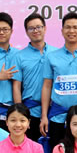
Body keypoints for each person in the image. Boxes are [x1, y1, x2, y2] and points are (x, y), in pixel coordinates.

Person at [40, 12, 77, 153]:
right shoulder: (51, 57)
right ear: (62, 30)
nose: (71, 31)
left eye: (75, 27)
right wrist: (44, 116)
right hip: (57, 116)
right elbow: (47, 86)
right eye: (68, 27)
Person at [12, 13, 56, 141]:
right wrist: (20, 114)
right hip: (30, 112)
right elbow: (16, 86)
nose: (35, 31)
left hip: (54, 112)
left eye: (38, 27)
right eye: (31, 28)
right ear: (26, 32)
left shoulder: (56, 53)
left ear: (45, 28)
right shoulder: (19, 56)